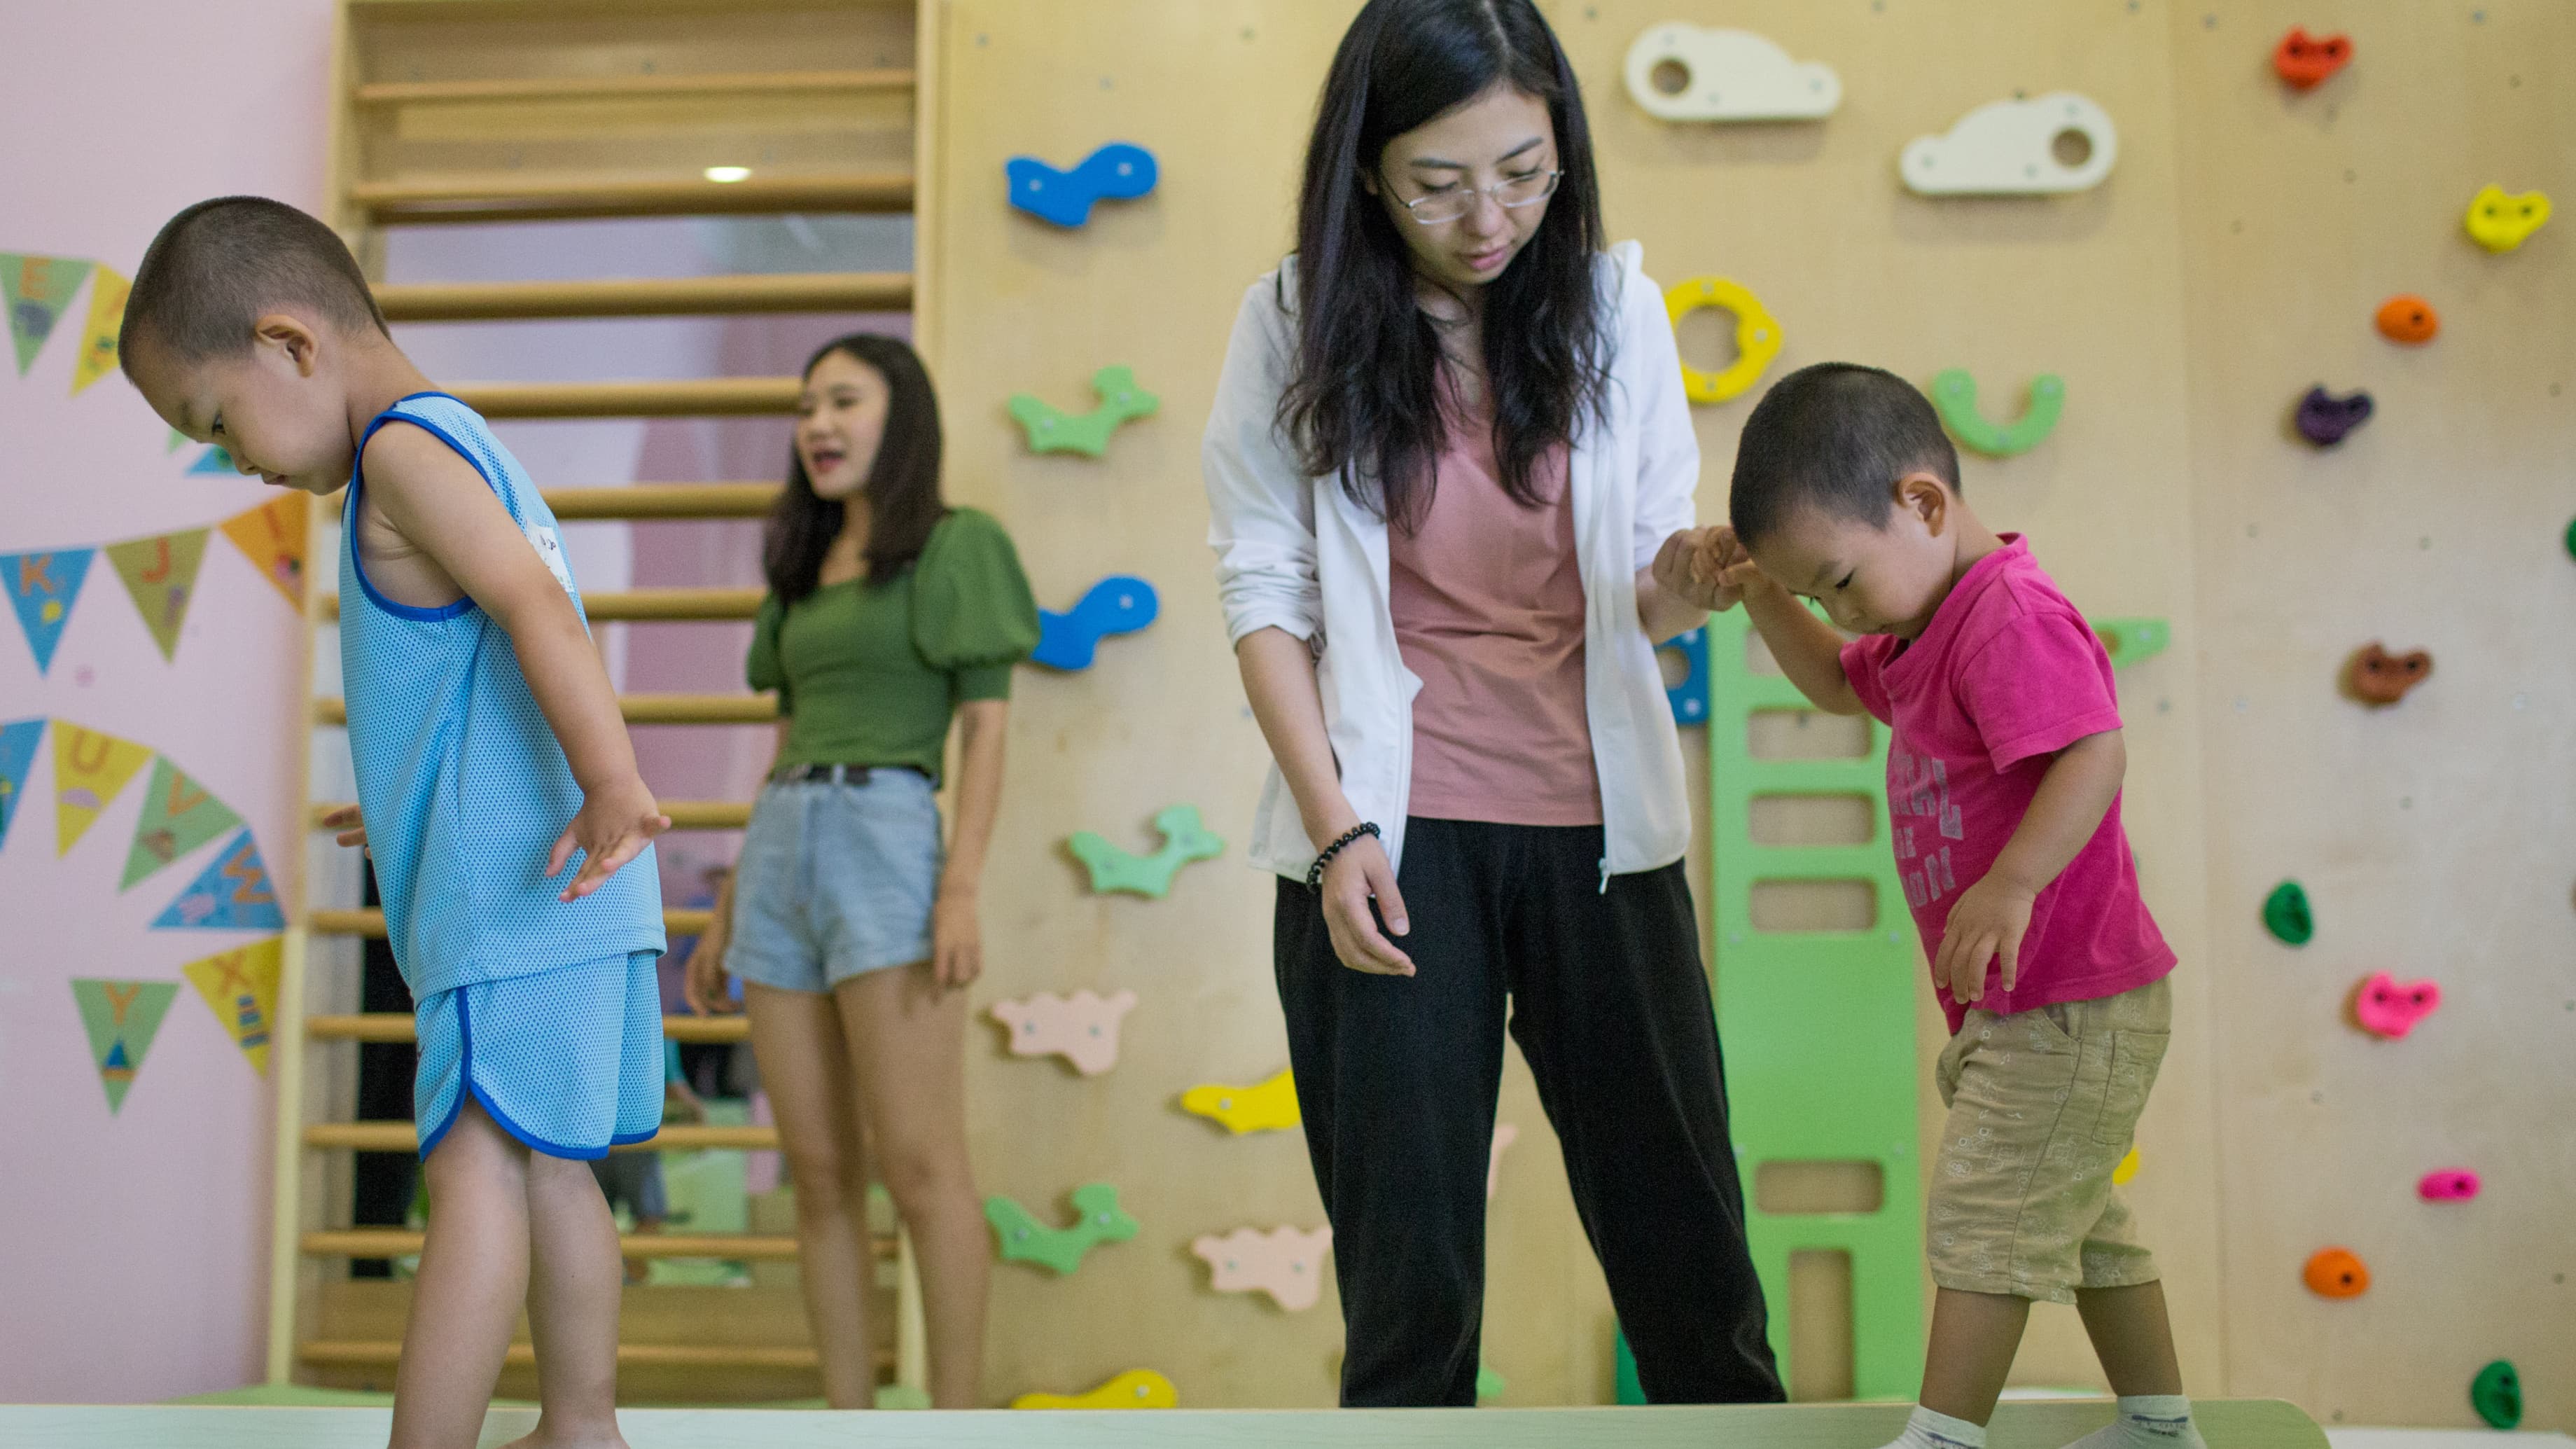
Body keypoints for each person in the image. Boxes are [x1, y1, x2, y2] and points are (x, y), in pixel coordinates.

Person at [1202, 0, 1781, 1408]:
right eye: (1438, 184)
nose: (1487, 219)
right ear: (1365, 170)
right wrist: (1338, 838)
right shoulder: (1293, 319)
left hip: (1600, 835)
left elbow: (1640, 584)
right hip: (1388, 838)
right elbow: (1263, 594)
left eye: (1524, 174)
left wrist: (1695, 575)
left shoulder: (1612, 310)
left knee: (1691, 1271)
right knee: (1409, 1304)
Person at [123, 196, 669, 1449]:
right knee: (552, 1161)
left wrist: (610, 775)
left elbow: (535, 605)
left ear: (290, 345)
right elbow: (479, 662)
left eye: (218, 421)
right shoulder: (461, 442)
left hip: (520, 886)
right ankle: (582, 1425)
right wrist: (410, 790)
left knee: (474, 1170)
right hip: (558, 879)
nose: (237, 459)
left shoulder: (406, 459)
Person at [1704, 363, 2194, 1449]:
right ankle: (2159, 1429)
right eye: (1819, 593)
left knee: (1983, 1217)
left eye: (1838, 579)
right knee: (2080, 1228)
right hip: (2029, 1006)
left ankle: (1944, 1437)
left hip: (2073, 994)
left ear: (1922, 504)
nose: (1839, 608)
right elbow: (1837, 682)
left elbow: (2093, 748)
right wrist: (1766, 594)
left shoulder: (2004, 614)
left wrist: (2013, 879)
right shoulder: (1925, 625)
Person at [684, 332, 1036, 1409]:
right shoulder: (798, 567)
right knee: (820, 1175)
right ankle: (848, 1425)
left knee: (923, 1169)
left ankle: (958, 1425)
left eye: (844, 400)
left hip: (888, 836)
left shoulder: (959, 545)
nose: (818, 425)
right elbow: (786, 740)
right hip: (784, 843)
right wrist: (731, 901)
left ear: (903, 418)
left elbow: (986, 729)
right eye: (806, 407)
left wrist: (961, 884)